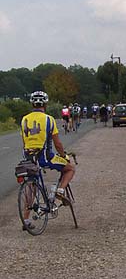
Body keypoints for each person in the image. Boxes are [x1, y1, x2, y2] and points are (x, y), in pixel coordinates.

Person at [20, 91, 76, 229]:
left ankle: (26, 220)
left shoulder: (24, 119)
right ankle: (60, 191)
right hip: (45, 157)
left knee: (32, 185)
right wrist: (63, 156)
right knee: (70, 168)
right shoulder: (49, 119)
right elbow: (57, 144)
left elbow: (24, 141)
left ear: (32, 104)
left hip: (29, 158)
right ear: (45, 104)